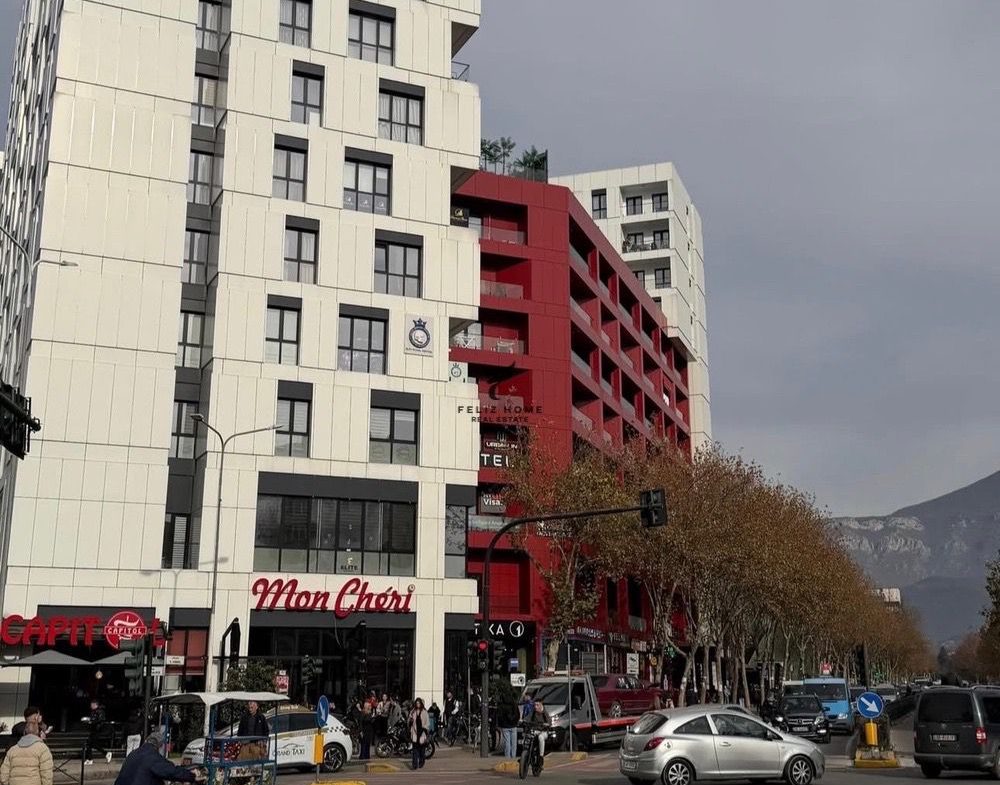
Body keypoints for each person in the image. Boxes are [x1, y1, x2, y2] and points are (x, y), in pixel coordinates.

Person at [112, 731, 203, 785]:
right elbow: (171, 771)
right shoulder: (152, 756)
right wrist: (191, 776)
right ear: (159, 746)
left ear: (146, 740)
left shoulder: (133, 753)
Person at [1, 720, 53, 785]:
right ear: (38, 732)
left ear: (24, 732)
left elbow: (4, 774)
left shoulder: (12, 750)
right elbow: (47, 774)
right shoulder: (43, 749)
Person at [522, 701, 551, 768]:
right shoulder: (533, 712)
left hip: (543, 732)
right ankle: (524, 755)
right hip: (535, 731)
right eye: (534, 705)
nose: (535, 707)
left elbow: (549, 721)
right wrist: (523, 720)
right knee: (527, 736)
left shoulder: (544, 713)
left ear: (541, 705)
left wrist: (547, 724)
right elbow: (527, 718)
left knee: (540, 737)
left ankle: (541, 757)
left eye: (537, 705)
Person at [496, 691, 520, 760]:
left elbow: (499, 716)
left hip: (505, 726)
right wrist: (516, 722)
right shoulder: (514, 705)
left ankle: (507, 758)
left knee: (507, 742)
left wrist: (500, 725)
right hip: (513, 726)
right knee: (514, 743)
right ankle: (513, 757)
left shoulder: (501, 706)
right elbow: (518, 715)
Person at [84, 699, 108, 765]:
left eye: (92, 705)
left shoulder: (100, 711)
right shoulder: (93, 712)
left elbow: (100, 720)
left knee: (91, 744)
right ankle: (105, 753)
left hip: (97, 730)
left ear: (95, 705)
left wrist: (92, 721)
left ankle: (90, 759)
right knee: (91, 744)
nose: (91, 706)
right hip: (94, 729)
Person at [407, 699, 430, 771]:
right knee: (415, 749)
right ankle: (414, 764)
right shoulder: (413, 711)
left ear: (421, 704)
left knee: (421, 749)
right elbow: (409, 720)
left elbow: (427, 723)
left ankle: (421, 762)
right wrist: (410, 721)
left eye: (419, 703)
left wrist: (424, 730)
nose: (417, 704)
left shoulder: (425, 712)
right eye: (416, 703)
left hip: (422, 732)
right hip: (415, 732)